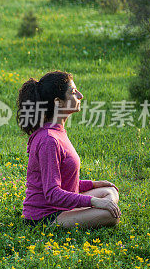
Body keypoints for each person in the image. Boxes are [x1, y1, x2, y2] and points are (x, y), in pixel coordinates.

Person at [17, 70, 121, 228]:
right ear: (58, 102)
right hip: (45, 217)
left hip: (62, 207)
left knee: (109, 191)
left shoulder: (57, 131)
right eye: (73, 92)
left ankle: (86, 211)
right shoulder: (49, 139)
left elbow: (65, 183)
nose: (80, 95)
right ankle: (86, 213)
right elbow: (52, 193)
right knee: (109, 215)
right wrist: (93, 201)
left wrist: (93, 184)